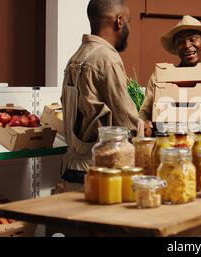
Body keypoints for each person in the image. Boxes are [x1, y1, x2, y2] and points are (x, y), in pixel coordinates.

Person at [58, 0, 144, 192]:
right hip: (98, 173)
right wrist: (145, 127)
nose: (128, 27)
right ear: (119, 21)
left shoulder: (77, 57)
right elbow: (127, 123)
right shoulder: (107, 59)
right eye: (128, 21)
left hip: (71, 170)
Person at [139, 15, 201, 137]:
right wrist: (144, 125)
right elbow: (144, 113)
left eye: (193, 39)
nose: (187, 45)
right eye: (180, 41)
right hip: (166, 149)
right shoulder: (159, 78)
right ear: (176, 47)